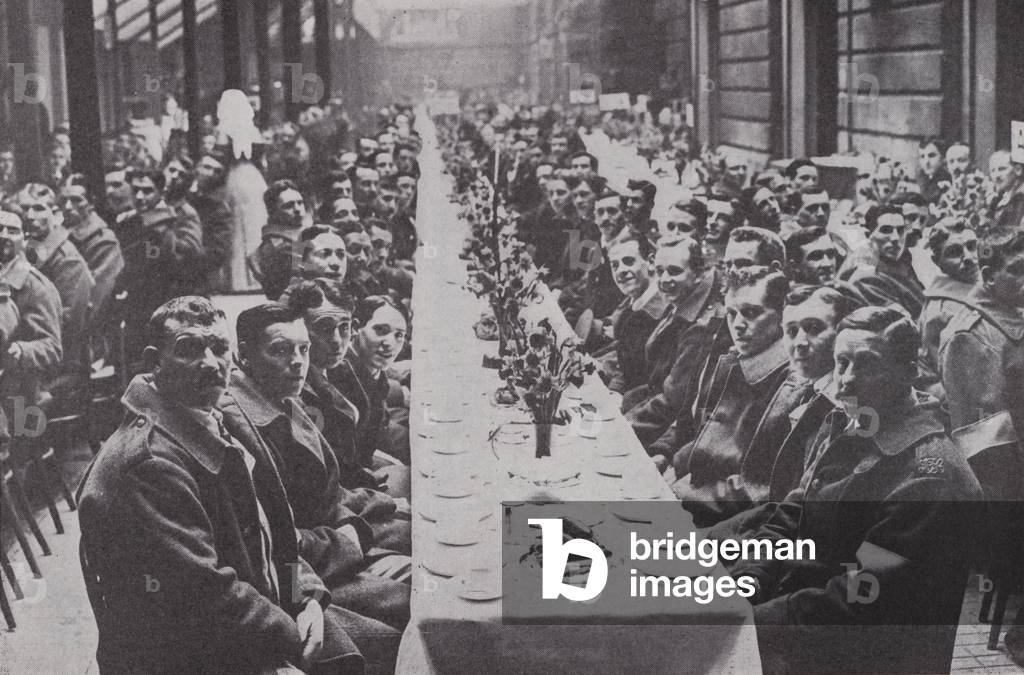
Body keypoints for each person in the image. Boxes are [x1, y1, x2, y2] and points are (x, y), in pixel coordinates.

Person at [77, 297, 363, 673]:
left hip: (261, 615)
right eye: (189, 349)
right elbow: (207, 596)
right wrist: (292, 634)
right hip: (197, 657)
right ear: (153, 361)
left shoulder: (212, 419)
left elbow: (275, 536)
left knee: (397, 641)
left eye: (219, 347)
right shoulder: (148, 466)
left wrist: (305, 597)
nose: (211, 363)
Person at [726, 306, 981, 674]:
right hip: (808, 623)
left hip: (862, 655)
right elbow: (793, 513)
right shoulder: (853, 426)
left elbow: (863, 593)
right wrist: (749, 580)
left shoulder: (929, 475)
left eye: (866, 364)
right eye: (841, 362)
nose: (846, 379)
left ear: (907, 374)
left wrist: (754, 622)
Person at [222, 302, 411, 670]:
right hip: (305, 576)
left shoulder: (283, 399)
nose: (297, 361)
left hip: (326, 551)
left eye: (303, 349)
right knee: (418, 612)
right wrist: (347, 541)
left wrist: (366, 516)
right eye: (280, 350)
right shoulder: (243, 425)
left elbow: (327, 490)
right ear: (243, 355)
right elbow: (274, 541)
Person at [675, 284, 859, 526]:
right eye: (791, 331)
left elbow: (772, 497)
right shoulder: (800, 386)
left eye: (814, 328)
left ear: (841, 335)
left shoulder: (849, 408)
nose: (800, 342)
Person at [625, 235, 724, 441]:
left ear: (697, 274)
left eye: (675, 271)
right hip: (645, 409)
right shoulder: (681, 298)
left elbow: (672, 402)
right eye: (660, 271)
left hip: (663, 433)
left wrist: (621, 428)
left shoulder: (700, 326)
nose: (664, 280)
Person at [114, 169, 204, 369]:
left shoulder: (181, 215)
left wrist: (161, 230)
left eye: (147, 191)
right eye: (135, 190)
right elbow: (143, 257)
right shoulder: (131, 219)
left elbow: (190, 255)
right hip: (141, 301)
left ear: (161, 192)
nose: (139, 196)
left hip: (174, 298)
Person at [14, 183, 96, 396]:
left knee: (17, 409)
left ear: (56, 214)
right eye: (24, 208)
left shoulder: (67, 260)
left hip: (63, 370)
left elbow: (69, 325)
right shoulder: (30, 250)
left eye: (39, 208)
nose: (30, 215)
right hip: (31, 358)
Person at [331, 296, 410, 469]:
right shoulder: (339, 375)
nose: (390, 343)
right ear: (356, 327)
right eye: (380, 330)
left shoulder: (374, 370)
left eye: (399, 335)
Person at [0, 205, 62, 411]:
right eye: (0, 228)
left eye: (13, 231)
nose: (5, 236)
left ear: (24, 239)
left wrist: (19, 350)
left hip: (21, 390)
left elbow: (53, 348)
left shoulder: (34, 285)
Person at [593, 235, 664, 393]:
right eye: (615, 266)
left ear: (651, 262)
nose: (621, 271)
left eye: (629, 261)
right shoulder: (636, 303)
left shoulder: (658, 310)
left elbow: (639, 377)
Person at [917, 217, 978, 397]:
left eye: (972, 246)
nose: (968, 257)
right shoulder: (941, 311)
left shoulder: (985, 282)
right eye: (954, 252)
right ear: (937, 262)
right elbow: (954, 378)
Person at [58, 173, 125, 316]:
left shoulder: (103, 243)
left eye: (77, 200)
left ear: (91, 203)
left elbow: (96, 299)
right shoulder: (57, 234)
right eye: (64, 201)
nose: (68, 206)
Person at [844, 205, 925, 319]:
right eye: (886, 230)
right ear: (868, 235)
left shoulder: (906, 266)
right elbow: (904, 322)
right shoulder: (867, 279)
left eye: (900, 230)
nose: (895, 238)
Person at [248, 180, 308, 301]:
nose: (297, 209)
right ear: (273, 212)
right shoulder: (277, 247)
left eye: (300, 203)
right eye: (288, 206)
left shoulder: (300, 237)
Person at [988, 150, 1024, 230]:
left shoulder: (1021, 198)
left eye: (1002, 169)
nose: (996, 175)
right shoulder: (997, 200)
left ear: (1018, 170)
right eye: (992, 171)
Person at [916, 137, 952, 204]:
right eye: (922, 156)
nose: (926, 162)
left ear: (944, 158)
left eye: (931, 156)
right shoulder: (924, 179)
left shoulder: (948, 182)